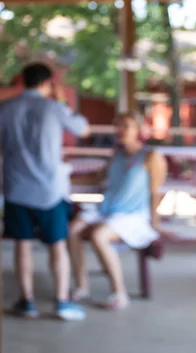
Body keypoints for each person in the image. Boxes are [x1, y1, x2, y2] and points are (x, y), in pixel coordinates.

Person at [0, 62, 90, 321]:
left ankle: (27, 302)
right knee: (57, 245)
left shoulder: (5, 108)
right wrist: (62, 100)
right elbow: (83, 129)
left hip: (16, 187)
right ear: (48, 83)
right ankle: (62, 301)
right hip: (50, 189)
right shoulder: (54, 107)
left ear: (23, 80)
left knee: (22, 245)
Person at [68, 112, 165, 310]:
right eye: (118, 126)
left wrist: (156, 224)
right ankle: (82, 286)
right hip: (107, 211)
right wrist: (64, 178)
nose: (120, 130)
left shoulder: (151, 156)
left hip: (132, 215)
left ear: (138, 130)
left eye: (125, 126)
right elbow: (98, 177)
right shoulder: (117, 155)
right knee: (72, 230)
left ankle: (119, 293)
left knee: (99, 235)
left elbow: (155, 192)